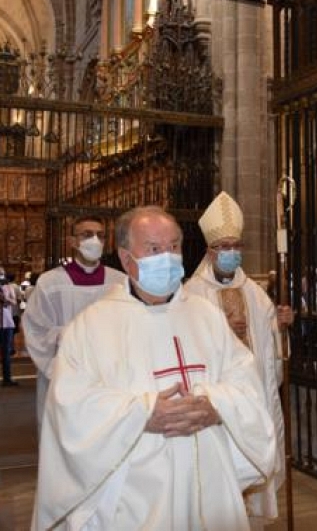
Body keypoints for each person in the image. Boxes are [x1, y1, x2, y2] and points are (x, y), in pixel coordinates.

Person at [32, 205, 276, 531]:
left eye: (174, 246)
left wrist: (216, 406)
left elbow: (246, 381)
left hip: (212, 488)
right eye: (154, 248)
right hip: (133, 498)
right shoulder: (91, 327)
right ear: (126, 258)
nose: (168, 256)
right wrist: (142, 414)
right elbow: (69, 407)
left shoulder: (206, 315)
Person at [185, 191, 292, 531]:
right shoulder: (191, 295)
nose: (231, 252)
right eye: (223, 246)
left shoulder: (256, 294)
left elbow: (271, 350)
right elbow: (185, 346)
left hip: (250, 400)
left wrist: (280, 325)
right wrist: (221, 327)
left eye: (236, 245)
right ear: (209, 250)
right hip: (215, 407)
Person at [22, 215, 126, 430]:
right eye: (87, 235)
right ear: (71, 242)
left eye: (100, 235)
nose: (95, 240)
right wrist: (69, 335)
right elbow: (35, 328)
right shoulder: (50, 282)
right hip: (64, 372)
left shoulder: (119, 281)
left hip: (109, 375)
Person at [0, 267, 18, 387]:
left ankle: (7, 378)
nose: (1, 275)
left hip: (7, 323)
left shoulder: (9, 286)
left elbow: (14, 301)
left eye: (2, 273)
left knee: (6, 351)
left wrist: (6, 299)